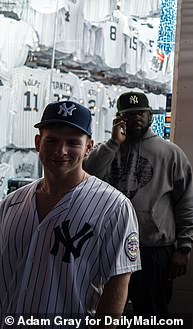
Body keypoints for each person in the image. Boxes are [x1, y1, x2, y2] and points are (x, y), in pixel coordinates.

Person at [0, 100, 141, 326]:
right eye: (52, 140)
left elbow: (118, 285)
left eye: (73, 142)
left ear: (88, 147)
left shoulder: (114, 207)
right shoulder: (11, 204)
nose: (61, 150)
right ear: (38, 142)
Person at [84, 91, 193, 318]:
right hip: (111, 246)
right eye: (129, 114)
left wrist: (184, 247)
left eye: (140, 113)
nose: (136, 118)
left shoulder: (171, 153)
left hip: (153, 250)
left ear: (150, 117)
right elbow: (86, 175)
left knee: (152, 314)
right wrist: (114, 142)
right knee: (108, 312)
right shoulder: (110, 151)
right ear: (119, 119)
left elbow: (186, 201)